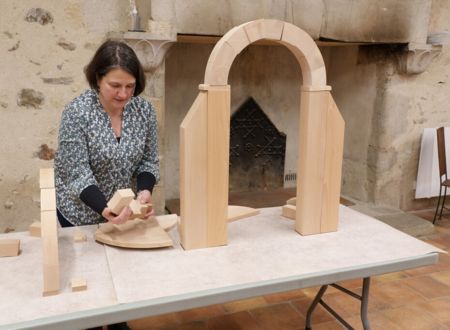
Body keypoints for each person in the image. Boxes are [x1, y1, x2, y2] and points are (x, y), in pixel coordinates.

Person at [54, 40, 159, 228]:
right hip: (80, 216)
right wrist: (104, 208)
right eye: (115, 85)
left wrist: (145, 191)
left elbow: (149, 162)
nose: (123, 94)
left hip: (125, 214)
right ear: (98, 79)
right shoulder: (77, 113)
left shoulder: (145, 111)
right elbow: (78, 174)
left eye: (130, 86)